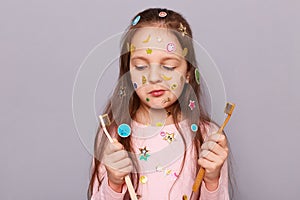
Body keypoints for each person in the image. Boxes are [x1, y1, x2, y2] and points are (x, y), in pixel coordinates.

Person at [88, 8, 230, 200]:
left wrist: (212, 180)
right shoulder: (112, 137)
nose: (154, 78)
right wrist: (114, 183)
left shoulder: (209, 137)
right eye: (140, 66)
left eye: (168, 66)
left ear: (188, 72)